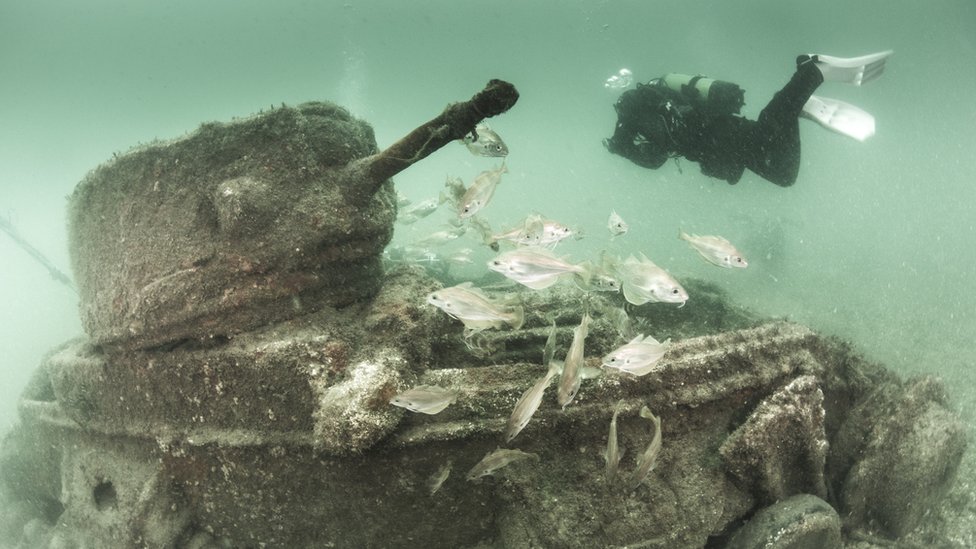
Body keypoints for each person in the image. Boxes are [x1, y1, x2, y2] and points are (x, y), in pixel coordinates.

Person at [604, 51, 892, 186]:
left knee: (770, 129)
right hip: (719, 146)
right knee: (784, 176)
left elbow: (653, 160)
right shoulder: (650, 105)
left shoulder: (631, 115)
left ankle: (810, 71)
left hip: (720, 136)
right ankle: (796, 105)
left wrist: (618, 147)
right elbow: (663, 148)